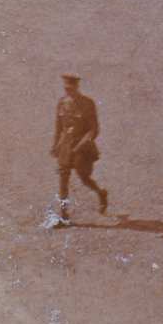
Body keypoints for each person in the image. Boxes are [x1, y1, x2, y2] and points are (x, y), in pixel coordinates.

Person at [50, 74, 108, 227]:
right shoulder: (62, 102)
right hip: (66, 147)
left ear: (77, 87)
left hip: (83, 148)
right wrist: (55, 145)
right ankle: (63, 216)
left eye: (70, 88)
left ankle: (101, 193)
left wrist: (80, 146)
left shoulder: (88, 103)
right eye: (65, 88)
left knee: (84, 177)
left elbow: (94, 130)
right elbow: (58, 126)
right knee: (63, 181)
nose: (68, 91)